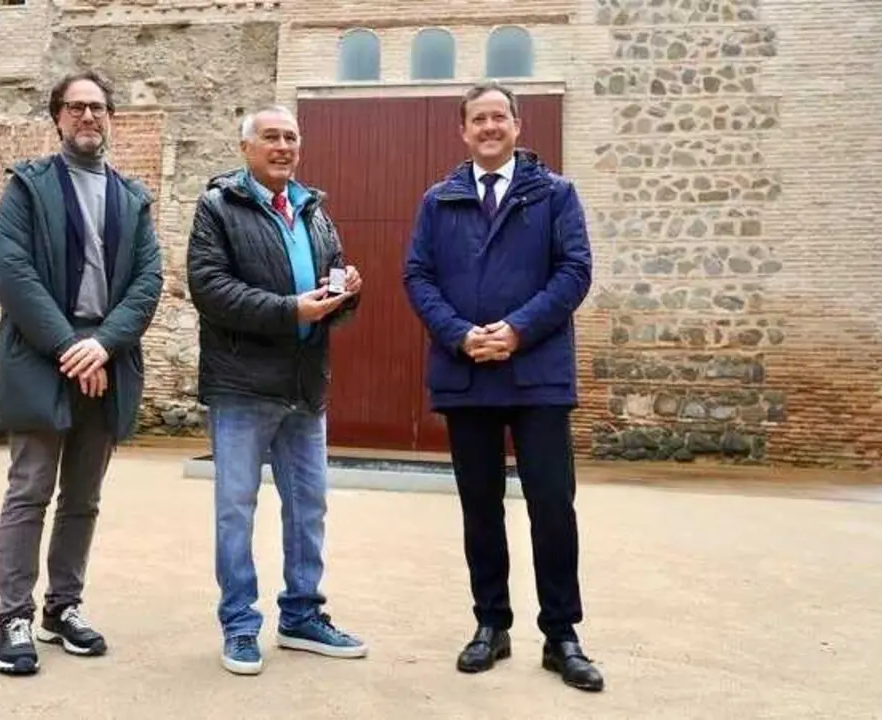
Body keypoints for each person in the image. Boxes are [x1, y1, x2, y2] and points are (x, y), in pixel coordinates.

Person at [402, 81, 604, 692]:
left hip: (537, 374)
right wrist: (461, 335)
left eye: (499, 117)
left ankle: (561, 634)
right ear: (463, 131)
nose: (489, 128)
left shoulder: (556, 195)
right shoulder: (439, 201)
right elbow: (418, 274)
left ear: (518, 125)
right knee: (480, 507)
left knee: (551, 506)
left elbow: (575, 271)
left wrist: (517, 330)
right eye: (478, 119)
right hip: (467, 374)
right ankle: (491, 623)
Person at [0, 70, 163, 676]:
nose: (88, 116)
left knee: (83, 497)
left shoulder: (133, 197)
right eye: (76, 107)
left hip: (107, 359)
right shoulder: (27, 188)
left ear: (111, 117)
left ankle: (63, 609)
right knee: (30, 488)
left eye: (98, 107)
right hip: (42, 355)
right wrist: (71, 347)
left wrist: (104, 346)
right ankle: (14, 615)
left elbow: (148, 284)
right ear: (57, 118)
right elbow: (13, 274)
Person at [185, 105, 366, 676]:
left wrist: (348, 291)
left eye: (291, 137)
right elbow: (211, 288)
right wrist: (291, 310)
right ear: (246, 148)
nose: (283, 146)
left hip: (304, 386)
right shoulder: (217, 207)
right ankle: (240, 625)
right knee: (235, 511)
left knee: (308, 507)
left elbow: (330, 285)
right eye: (271, 137)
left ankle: (302, 615)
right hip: (242, 386)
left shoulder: (314, 210)